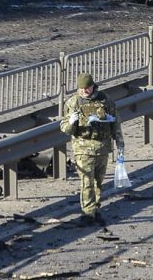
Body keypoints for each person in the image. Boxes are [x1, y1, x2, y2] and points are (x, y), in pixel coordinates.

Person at [59, 73, 124, 227]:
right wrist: (71, 122)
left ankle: (95, 209)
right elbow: (65, 129)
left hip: (102, 147)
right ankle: (88, 213)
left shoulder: (105, 100)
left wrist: (120, 143)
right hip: (83, 148)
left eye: (87, 88)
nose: (84, 91)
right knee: (86, 181)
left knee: (98, 182)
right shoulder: (73, 102)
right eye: (81, 89)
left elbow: (116, 122)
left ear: (93, 86)